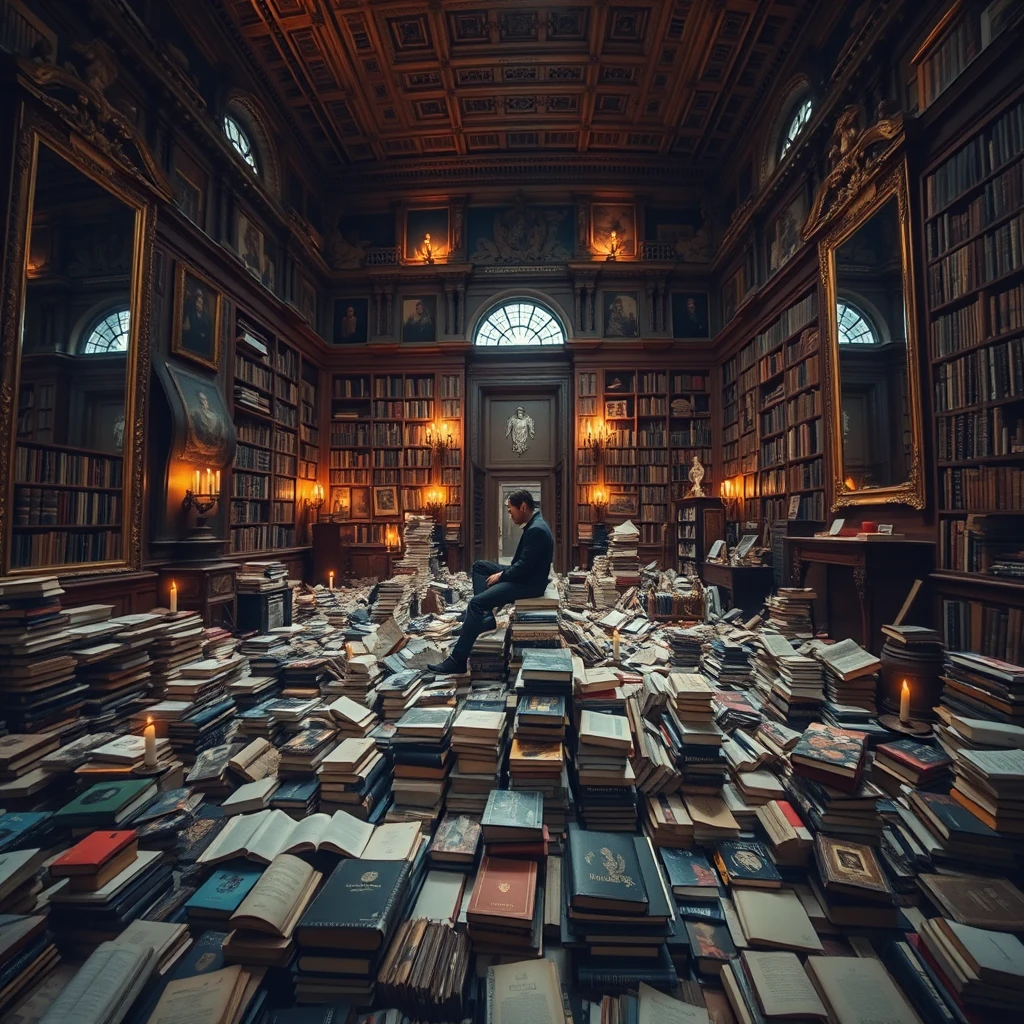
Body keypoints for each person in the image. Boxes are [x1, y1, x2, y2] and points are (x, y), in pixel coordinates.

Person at [428, 489, 553, 675]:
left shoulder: (536, 530)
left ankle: (457, 660)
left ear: (524, 506)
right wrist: (503, 573)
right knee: (480, 566)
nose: (510, 515)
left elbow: (524, 569)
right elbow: (523, 565)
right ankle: (485, 617)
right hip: (524, 575)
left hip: (528, 584)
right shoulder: (536, 523)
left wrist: (502, 575)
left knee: (475, 603)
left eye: (511, 510)